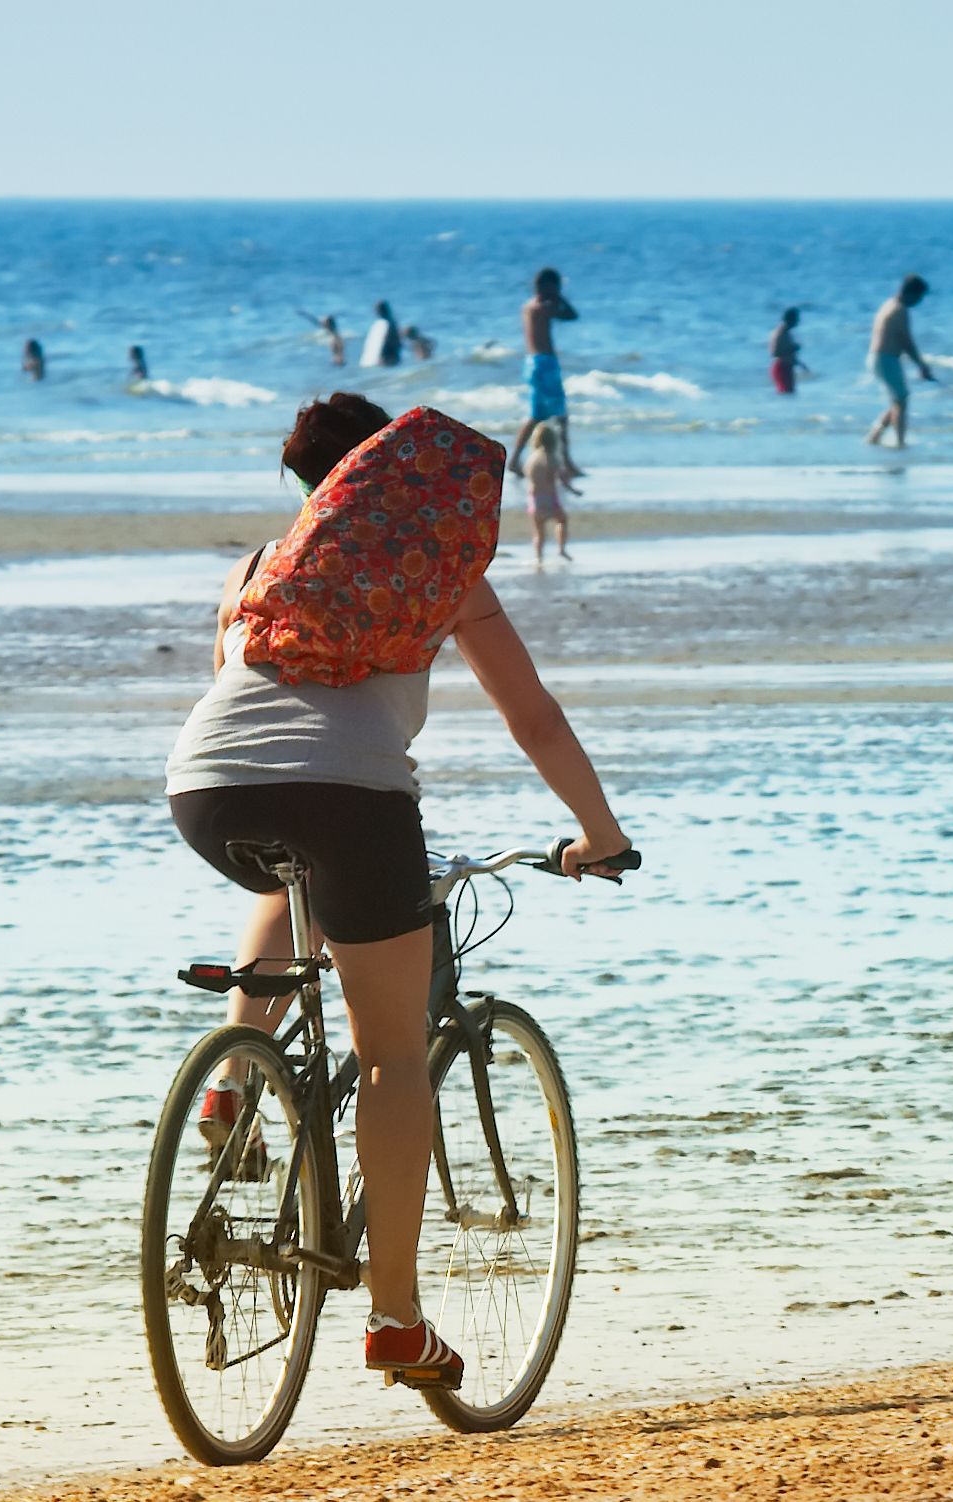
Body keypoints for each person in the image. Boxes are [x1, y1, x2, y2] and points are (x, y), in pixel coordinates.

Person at [166, 393, 628, 1390]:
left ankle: (233, 1076)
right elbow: (534, 718)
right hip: (355, 803)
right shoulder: (441, 566)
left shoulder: (258, 568)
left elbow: (246, 711)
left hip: (202, 790)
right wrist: (601, 832)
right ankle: (395, 1315)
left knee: (291, 866)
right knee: (390, 1061)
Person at [511, 268, 582, 482]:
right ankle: (566, 462)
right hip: (544, 364)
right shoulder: (541, 307)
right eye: (556, 287)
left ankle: (516, 460)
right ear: (548, 287)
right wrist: (559, 298)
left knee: (539, 415)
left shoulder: (528, 306)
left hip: (534, 363)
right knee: (556, 415)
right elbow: (571, 315)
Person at [864, 275, 934, 448]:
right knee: (901, 399)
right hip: (885, 358)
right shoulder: (900, 309)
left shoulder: (888, 304)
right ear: (911, 293)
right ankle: (900, 442)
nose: (919, 302)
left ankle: (874, 437)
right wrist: (921, 365)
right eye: (919, 297)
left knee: (898, 400)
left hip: (877, 358)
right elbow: (906, 341)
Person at [523, 417, 577, 564]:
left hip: (534, 499)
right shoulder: (552, 458)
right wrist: (573, 490)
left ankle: (538, 556)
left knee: (538, 531)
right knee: (562, 520)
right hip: (550, 498)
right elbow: (562, 478)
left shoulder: (531, 459)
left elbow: (527, 477)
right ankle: (561, 549)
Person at [769, 308, 810, 394]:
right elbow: (775, 353)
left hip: (787, 367)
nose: (798, 321)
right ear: (790, 319)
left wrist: (801, 364)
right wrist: (792, 348)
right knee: (786, 394)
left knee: (790, 394)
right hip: (781, 368)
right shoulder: (780, 333)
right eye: (796, 319)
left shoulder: (786, 332)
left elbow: (789, 354)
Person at [362, 301, 403, 367]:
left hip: (388, 358)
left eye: (377, 310)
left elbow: (387, 342)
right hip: (390, 358)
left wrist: (381, 357)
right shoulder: (389, 323)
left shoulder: (387, 324)